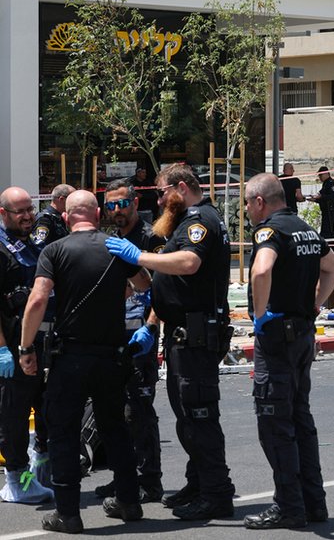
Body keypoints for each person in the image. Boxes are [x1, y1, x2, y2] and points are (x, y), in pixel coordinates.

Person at [105, 163, 236, 521]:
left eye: (162, 192)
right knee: (187, 416)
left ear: (180, 187)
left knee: (199, 415)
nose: (159, 199)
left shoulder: (200, 221)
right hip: (183, 333)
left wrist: (139, 257)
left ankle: (216, 493)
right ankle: (199, 483)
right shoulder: (186, 220)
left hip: (195, 335)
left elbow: (189, 262)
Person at [20, 190, 150, 533]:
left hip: (72, 357)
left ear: (66, 217)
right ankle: (129, 500)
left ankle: (68, 513)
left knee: (63, 431)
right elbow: (142, 283)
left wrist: (25, 346)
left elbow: (37, 299)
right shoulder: (115, 246)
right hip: (112, 355)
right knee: (116, 429)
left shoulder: (55, 250)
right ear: (97, 214)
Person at [241, 174, 334, 529]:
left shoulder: (270, 231)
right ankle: (314, 503)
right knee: (301, 420)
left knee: (274, 425)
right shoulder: (305, 229)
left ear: (259, 202)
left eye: (247, 204)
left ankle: (288, 506)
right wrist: (315, 304)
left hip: (278, 338)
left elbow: (262, 270)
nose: (247, 211)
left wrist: (258, 314)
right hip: (301, 333)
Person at [92, 179, 166, 504]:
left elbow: (163, 290)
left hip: (141, 337)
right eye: (111, 205)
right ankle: (126, 477)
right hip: (115, 336)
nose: (117, 210)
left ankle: (149, 481)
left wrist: (151, 328)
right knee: (117, 411)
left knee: (139, 411)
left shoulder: (151, 238)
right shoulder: (112, 239)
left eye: (122, 203)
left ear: (135, 203)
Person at [0, 187, 54, 505]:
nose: (28, 216)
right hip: (12, 347)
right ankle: (18, 481)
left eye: (30, 210)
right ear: (3, 213)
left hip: (37, 344)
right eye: (20, 211)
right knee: (13, 416)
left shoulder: (30, 242)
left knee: (46, 408)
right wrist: (3, 348)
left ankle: (40, 469)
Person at [31, 184, 74, 248]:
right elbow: (39, 246)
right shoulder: (45, 220)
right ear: (61, 199)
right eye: (72, 199)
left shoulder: (59, 217)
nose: (74, 202)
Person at [307, 166, 334, 240]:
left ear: (326, 174)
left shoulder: (331, 183)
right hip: (325, 211)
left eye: (320, 175)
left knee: (329, 231)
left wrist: (320, 197)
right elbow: (321, 196)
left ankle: (331, 247)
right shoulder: (325, 184)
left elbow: (332, 197)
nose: (320, 177)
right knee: (324, 231)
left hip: (330, 210)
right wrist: (314, 199)